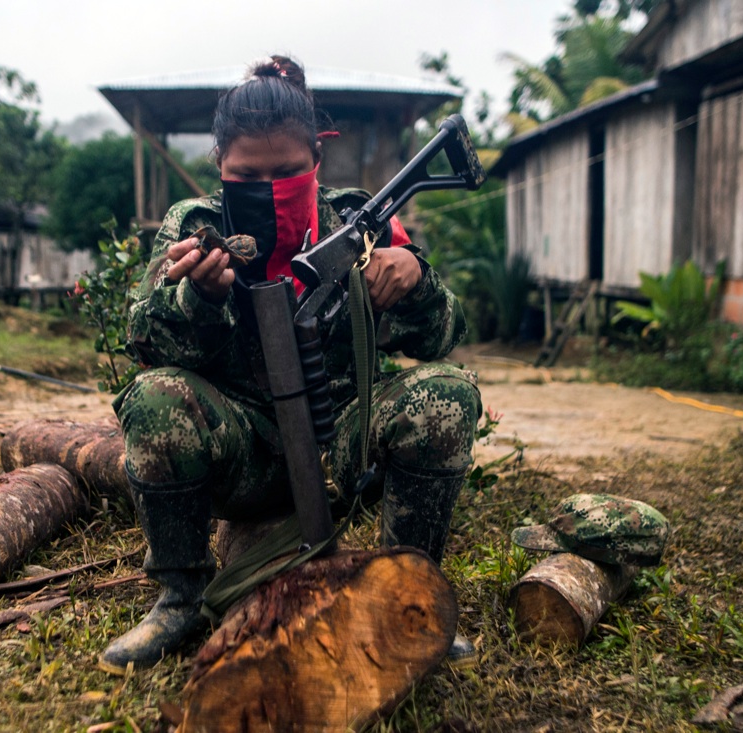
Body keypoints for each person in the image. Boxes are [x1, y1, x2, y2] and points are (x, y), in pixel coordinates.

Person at [99, 55, 482, 674]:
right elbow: (144, 343)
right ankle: (181, 599)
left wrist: (415, 279)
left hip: (342, 451)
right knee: (154, 397)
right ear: (219, 166)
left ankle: (408, 598)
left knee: (446, 393)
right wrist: (197, 298)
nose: (270, 187)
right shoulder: (195, 227)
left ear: (318, 163)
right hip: (242, 453)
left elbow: (443, 336)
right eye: (248, 174)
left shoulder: (361, 219)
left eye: (289, 171)